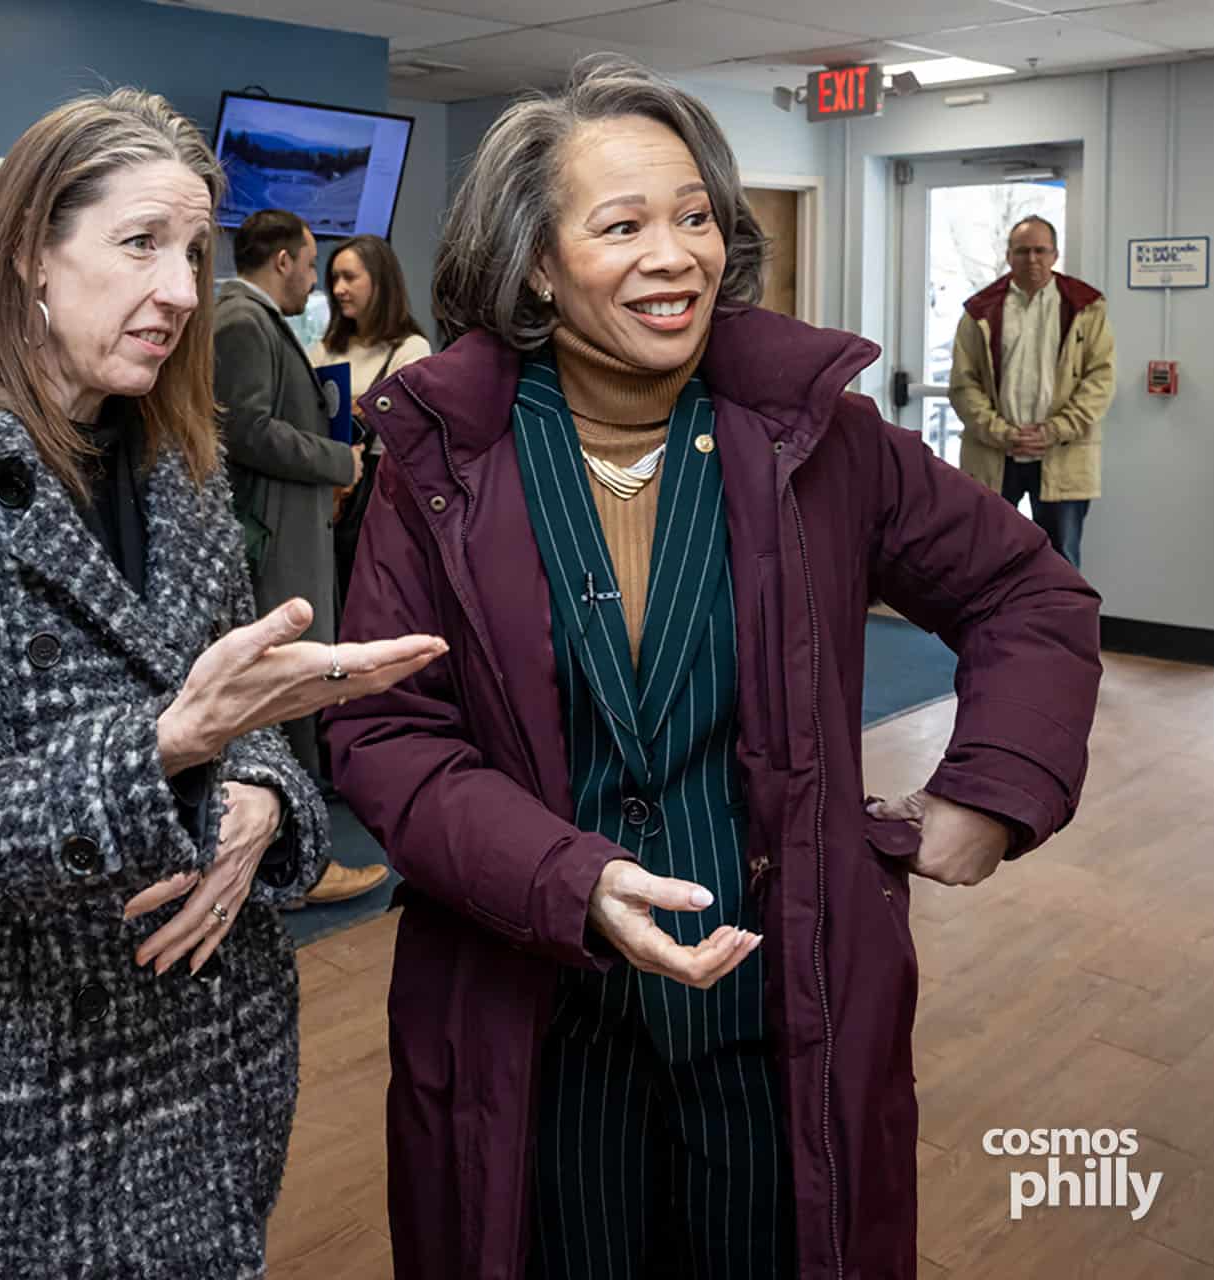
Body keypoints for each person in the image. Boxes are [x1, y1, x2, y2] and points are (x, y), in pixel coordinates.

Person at [323, 56, 1102, 1280]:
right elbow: (387, 735)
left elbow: (1029, 590)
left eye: (693, 216)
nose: (674, 254)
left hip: (776, 1012)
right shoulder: (444, 464)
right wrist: (568, 879)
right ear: (536, 262)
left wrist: (994, 784)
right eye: (622, 224)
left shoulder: (820, 437)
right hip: (539, 1019)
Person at [0, 89, 444, 1279]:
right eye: (142, 243)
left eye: (194, 251)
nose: (184, 290)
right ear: (31, 254)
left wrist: (261, 792)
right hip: (8, 1111)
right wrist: (167, 744)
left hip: (208, 1080)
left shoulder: (179, 468)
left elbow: (230, 714)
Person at [217, 210, 386, 908]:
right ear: (283, 259)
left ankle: (293, 859)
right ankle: (296, 868)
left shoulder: (249, 319)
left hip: (293, 530)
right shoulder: (240, 320)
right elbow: (247, 428)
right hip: (276, 538)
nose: (315, 281)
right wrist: (334, 456)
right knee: (282, 695)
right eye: (312, 265)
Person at [948, 214, 1115, 568]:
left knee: (1061, 560)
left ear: (1055, 255)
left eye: (1041, 250)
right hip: (994, 455)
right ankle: (988, 624)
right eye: (1023, 251)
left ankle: (1059, 625)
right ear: (1009, 255)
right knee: (984, 556)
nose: (1032, 259)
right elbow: (964, 384)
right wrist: (1003, 433)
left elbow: (1099, 380)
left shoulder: (1086, 308)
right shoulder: (980, 311)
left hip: (1061, 455)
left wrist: (1054, 431)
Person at [306, 234, 432, 603]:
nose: (339, 289)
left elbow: (408, 427)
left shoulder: (409, 348)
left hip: (379, 486)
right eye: (334, 279)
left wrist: (351, 405)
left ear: (380, 280)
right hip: (328, 481)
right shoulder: (328, 347)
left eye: (349, 277)